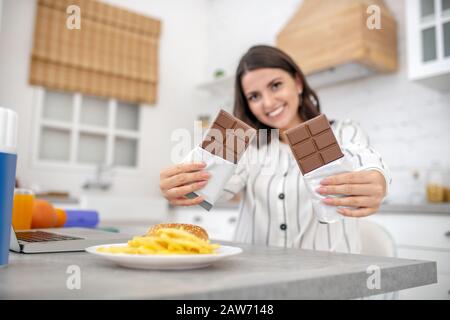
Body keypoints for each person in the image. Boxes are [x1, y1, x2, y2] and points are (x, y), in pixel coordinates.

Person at [160, 45, 391, 253]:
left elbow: (364, 158)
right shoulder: (248, 147)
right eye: (254, 96)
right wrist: (182, 184)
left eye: (276, 85)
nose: (268, 103)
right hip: (255, 282)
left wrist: (376, 178)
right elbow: (209, 188)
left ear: (298, 83)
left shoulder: (342, 132)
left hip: (329, 283)